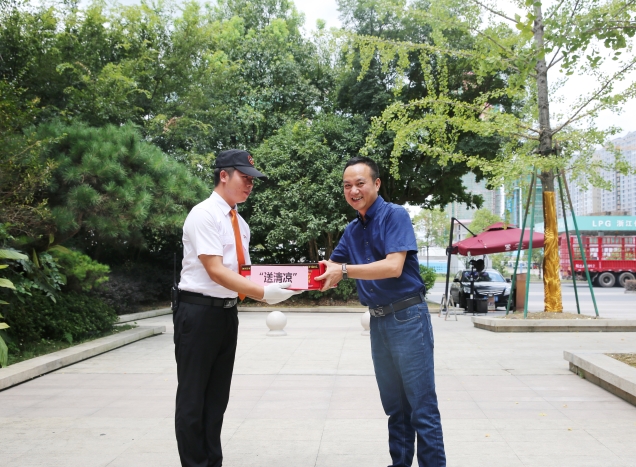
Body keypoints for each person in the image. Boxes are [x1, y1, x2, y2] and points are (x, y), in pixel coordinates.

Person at [316, 156, 446, 467]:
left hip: (408, 318)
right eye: (347, 185)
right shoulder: (352, 229)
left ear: (376, 183)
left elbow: (393, 266)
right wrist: (282, 283)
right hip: (378, 321)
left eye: (360, 183)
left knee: (421, 407)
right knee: (395, 407)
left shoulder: (394, 215)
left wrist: (343, 271)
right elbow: (330, 268)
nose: (353, 191)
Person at [174, 149, 300, 467]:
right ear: (223, 175)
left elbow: (243, 273)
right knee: (193, 399)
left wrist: (293, 281)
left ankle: (212, 461)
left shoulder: (240, 223)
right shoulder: (203, 214)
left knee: (217, 399)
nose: (249, 185)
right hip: (198, 313)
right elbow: (216, 271)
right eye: (244, 178)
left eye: (252, 180)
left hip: (227, 313)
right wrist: (263, 293)